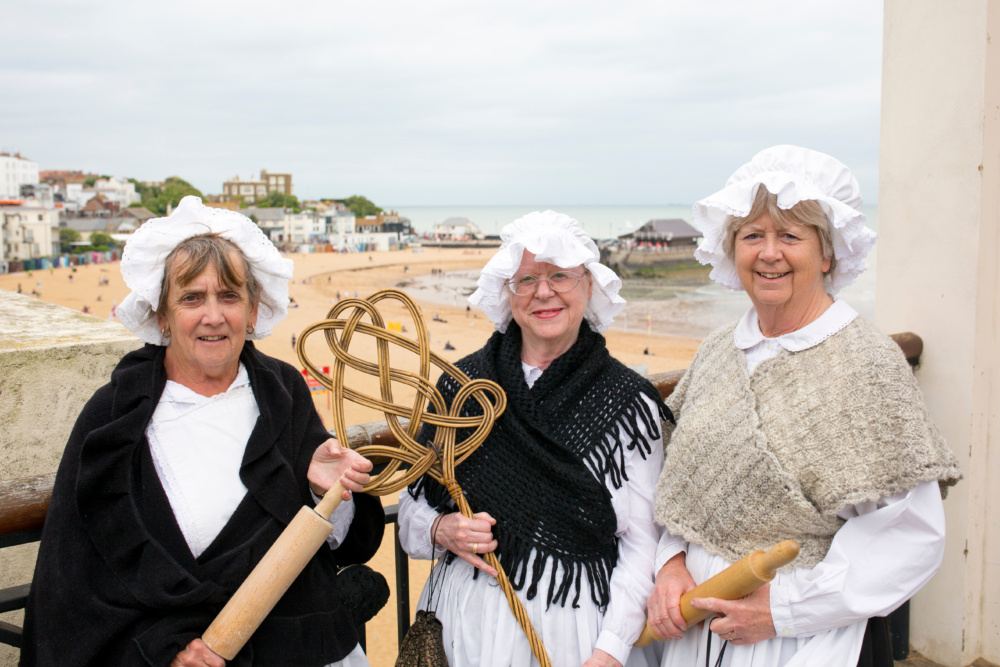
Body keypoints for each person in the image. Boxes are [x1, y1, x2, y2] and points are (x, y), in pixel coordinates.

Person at [21, 196, 385, 667]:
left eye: (229, 297)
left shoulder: (283, 393)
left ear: (253, 312)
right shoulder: (112, 417)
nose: (213, 316)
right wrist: (161, 655)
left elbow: (335, 543)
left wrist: (323, 491)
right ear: (161, 316)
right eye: (192, 297)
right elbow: (73, 578)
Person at [646, 146, 962, 667]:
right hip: (696, 630)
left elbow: (911, 535)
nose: (769, 253)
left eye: (790, 236)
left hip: (804, 641)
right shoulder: (719, 351)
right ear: (732, 250)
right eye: (752, 236)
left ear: (829, 253)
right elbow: (677, 484)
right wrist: (672, 562)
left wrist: (784, 611)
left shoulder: (867, 363)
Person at [398, 211, 671, 667]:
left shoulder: (626, 402)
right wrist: (440, 529)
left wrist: (610, 652)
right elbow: (410, 507)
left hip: (576, 633)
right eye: (527, 279)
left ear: (589, 286)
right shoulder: (461, 386)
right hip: (463, 625)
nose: (544, 292)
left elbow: (643, 543)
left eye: (561, 276)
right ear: (508, 293)